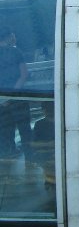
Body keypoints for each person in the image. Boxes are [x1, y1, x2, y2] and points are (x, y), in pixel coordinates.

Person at [0, 30, 31, 161]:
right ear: (9, 37)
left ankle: (8, 155)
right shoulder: (16, 51)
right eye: (13, 35)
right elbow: (24, 74)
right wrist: (12, 94)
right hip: (18, 98)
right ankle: (30, 155)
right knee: (24, 128)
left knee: (6, 129)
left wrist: (3, 98)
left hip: (2, 100)